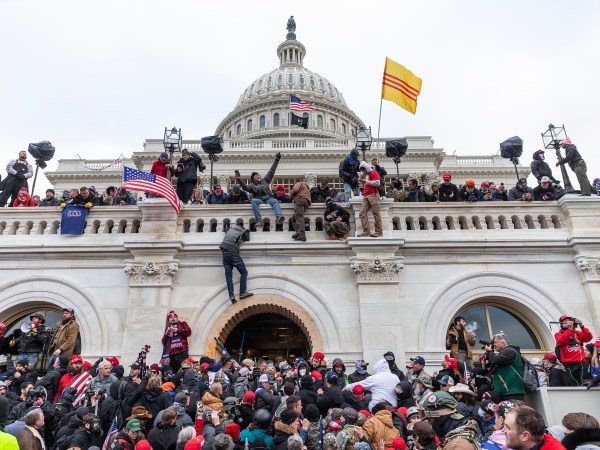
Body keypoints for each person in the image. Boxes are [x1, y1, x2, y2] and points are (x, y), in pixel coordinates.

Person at [236, 153, 284, 229]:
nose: (258, 176)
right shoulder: (252, 185)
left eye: (258, 175)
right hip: (259, 200)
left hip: (268, 199)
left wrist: (276, 159)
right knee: (254, 201)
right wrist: (239, 179)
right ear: (253, 178)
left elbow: (272, 171)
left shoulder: (265, 180)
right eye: (256, 176)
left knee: (275, 201)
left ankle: (279, 217)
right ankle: (259, 220)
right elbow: (245, 187)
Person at [484, 333, 526, 400]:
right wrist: (488, 354)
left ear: (503, 342)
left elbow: (496, 360)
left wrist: (489, 351)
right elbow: (489, 369)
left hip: (512, 393)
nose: (494, 344)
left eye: (495, 342)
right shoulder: (503, 353)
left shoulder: (510, 352)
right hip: (505, 392)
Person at [554, 315, 593, 386]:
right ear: (561, 324)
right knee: (575, 384)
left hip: (581, 362)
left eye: (569, 321)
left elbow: (588, 338)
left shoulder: (577, 333)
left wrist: (582, 326)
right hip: (569, 364)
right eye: (565, 321)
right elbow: (561, 341)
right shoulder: (558, 334)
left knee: (584, 382)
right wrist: (570, 330)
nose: (568, 322)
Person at [220, 223, 253, 303]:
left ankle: (231, 295)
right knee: (244, 272)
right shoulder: (244, 230)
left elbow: (225, 230)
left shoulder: (230, 229)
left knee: (228, 276)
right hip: (233, 253)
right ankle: (242, 292)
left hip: (224, 253)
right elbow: (247, 238)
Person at [47, 307, 80, 372]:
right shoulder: (61, 324)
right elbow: (55, 337)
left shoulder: (74, 324)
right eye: (64, 313)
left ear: (72, 315)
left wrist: (60, 349)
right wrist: (50, 348)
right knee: (50, 370)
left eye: (67, 313)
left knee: (57, 371)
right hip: (55, 351)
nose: (64, 314)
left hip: (63, 353)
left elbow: (71, 340)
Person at [358, 161, 382, 238]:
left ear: (366, 167)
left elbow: (377, 183)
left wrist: (366, 181)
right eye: (361, 170)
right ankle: (366, 231)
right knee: (362, 213)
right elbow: (368, 183)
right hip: (366, 196)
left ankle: (379, 232)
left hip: (373, 195)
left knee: (376, 213)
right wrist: (364, 182)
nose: (362, 171)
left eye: (363, 169)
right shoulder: (367, 175)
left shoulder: (374, 172)